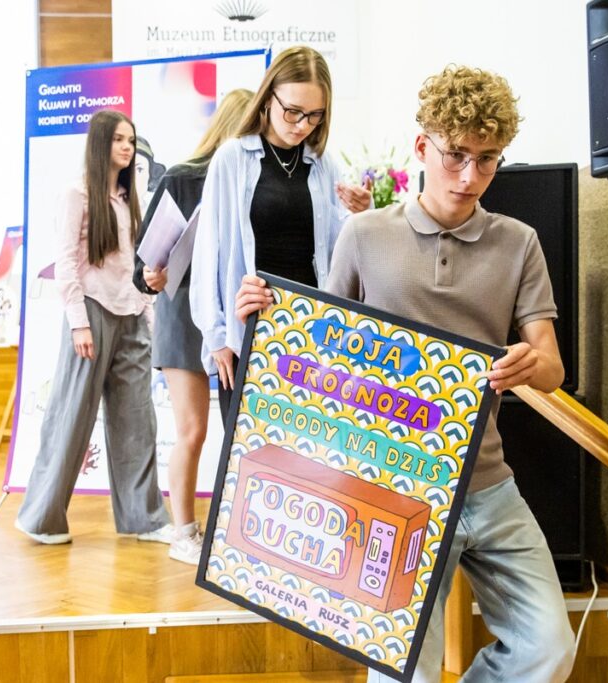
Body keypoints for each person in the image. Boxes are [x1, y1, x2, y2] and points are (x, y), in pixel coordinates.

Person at [235, 65, 576, 682]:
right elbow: (319, 353)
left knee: (549, 645)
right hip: (393, 486)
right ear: (422, 147)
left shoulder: (520, 242)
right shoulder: (364, 235)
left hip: (490, 483)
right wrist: (265, 317)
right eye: (456, 156)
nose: (470, 176)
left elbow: (552, 366)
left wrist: (535, 365)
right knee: (402, 670)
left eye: (488, 159)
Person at [190, 46, 372, 425]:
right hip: (250, 332)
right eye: (293, 111)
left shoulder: (323, 164)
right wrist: (218, 334)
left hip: (312, 335)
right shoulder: (232, 158)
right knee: (248, 463)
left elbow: (336, 255)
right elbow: (210, 250)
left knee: (307, 460)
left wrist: (361, 217)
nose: (302, 125)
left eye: (315, 116)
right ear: (268, 96)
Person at [15, 109, 170, 546]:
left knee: (137, 420)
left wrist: (148, 311)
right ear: (101, 143)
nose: (128, 147)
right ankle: (40, 518)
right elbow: (66, 262)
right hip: (93, 313)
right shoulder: (76, 193)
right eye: (120, 139)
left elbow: (132, 264)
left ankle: (145, 519)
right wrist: (79, 324)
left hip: (132, 313)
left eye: (132, 140)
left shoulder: (129, 196)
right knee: (71, 416)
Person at [131, 88, 254, 565]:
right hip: (183, 316)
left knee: (238, 432)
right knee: (193, 431)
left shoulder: (253, 179)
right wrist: (152, 274)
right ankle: (183, 529)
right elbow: (145, 268)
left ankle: (235, 529)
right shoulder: (182, 178)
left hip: (234, 319)